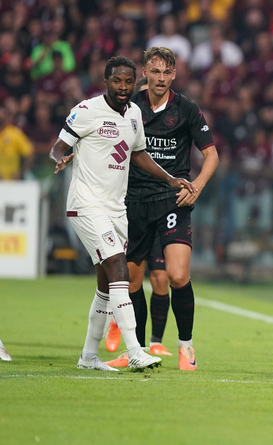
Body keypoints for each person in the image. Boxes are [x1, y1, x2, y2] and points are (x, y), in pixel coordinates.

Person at [49, 55, 196, 372]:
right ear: (106, 81)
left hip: (117, 209)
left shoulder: (134, 115)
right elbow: (59, 145)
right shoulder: (87, 110)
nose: (123, 87)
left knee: (105, 285)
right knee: (119, 268)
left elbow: (139, 154)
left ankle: (88, 357)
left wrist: (170, 178)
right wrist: (59, 158)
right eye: (117, 81)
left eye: (128, 82)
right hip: (86, 204)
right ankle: (135, 349)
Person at [107, 47, 219, 371]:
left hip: (173, 199)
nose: (160, 78)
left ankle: (186, 346)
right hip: (134, 201)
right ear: (145, 72)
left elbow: (211, 155)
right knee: (130, 281)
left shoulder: (186, 109)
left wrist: (195, 186)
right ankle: (137, 350)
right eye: (154, 71)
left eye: (166, 72)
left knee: (177, 275)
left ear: (173, 75)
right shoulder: (129, 107)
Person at [105, 77, 172, 357]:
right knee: (132, 279)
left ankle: (155, 341)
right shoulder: (127, 122)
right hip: (133, 205)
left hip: (162, 204)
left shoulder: (168, 123)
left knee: (160, 278)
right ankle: (117, 320)